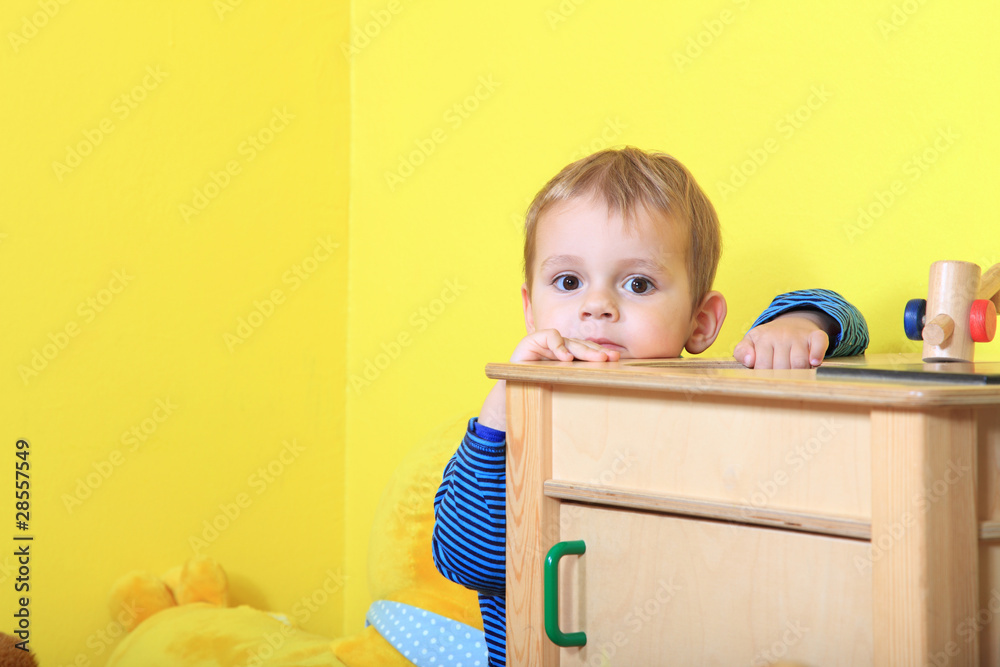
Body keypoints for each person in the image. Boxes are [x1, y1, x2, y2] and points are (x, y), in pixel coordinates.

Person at [432, 147, 868, 667]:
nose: (597, 306)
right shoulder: (512, 420)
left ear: (700, 323)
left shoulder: (706, 395)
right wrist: (502, 412)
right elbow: (466, 562)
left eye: (637, 284)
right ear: (530, 310)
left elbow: (848, 319)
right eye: (568, 282)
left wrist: (800, 324)